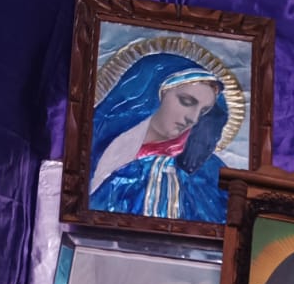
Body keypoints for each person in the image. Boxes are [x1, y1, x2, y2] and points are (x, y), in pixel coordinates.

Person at [89, 52, 230, 222]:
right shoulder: (94, 153)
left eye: (203, 111)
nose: (192, 119)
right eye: (186, 101)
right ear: (154, 95)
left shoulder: (210, 171)